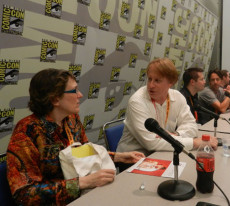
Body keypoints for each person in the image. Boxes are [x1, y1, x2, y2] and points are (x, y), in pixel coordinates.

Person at [6, 68, 144, 205]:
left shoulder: (71, 119)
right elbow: (24, 195)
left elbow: (83, 155)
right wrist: (82, 183)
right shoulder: (26, 132)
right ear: (55, 99)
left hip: (85, 197)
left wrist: (118, 157)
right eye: (74, 91)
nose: (80, 95)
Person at [116, 58, 218, 157]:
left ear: (171, 82)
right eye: (149, 79)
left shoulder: (177, 96)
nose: (151, 85)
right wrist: (194, 143)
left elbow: (192, 127)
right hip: (135, 159)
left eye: (157, 81)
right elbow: (151, 142)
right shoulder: (137, 101)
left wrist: (176, 135)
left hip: (164, 153)